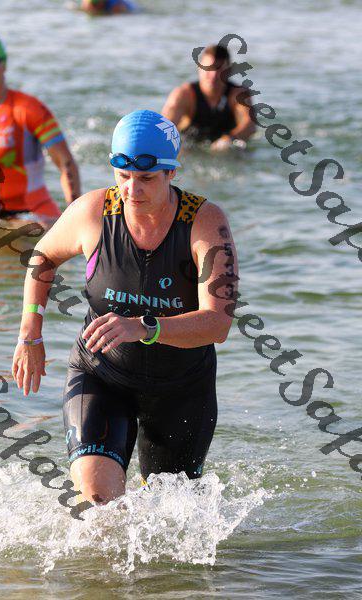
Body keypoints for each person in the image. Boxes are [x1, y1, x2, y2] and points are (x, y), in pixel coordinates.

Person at [12, 110, 238, 504]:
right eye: (123, 176)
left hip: (181, 388)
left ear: (170, 172)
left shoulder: (205, 223)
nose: (132, 189)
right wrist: (30, 334)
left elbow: (218, 324)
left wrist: (144, 327)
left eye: (146, 178)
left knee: (167, 517)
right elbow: (42, 258)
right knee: (98, 499)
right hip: (102, 374)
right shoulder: (93, 212)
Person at [0, 35, 81, 220]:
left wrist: (74, 217)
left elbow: (66, 164)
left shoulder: (28, 109)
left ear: (4, 65)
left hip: (31, 211)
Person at [162, 44, 256, 151]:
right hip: (190, 148)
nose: (213, 75)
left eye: (219, 69)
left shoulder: (238, 95)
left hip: (226, 148)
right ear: (199, 68)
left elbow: (250, 126)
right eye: (208, 68)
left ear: (229, 71)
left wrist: (229, 139)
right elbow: (164, 129)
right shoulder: (184, 95)